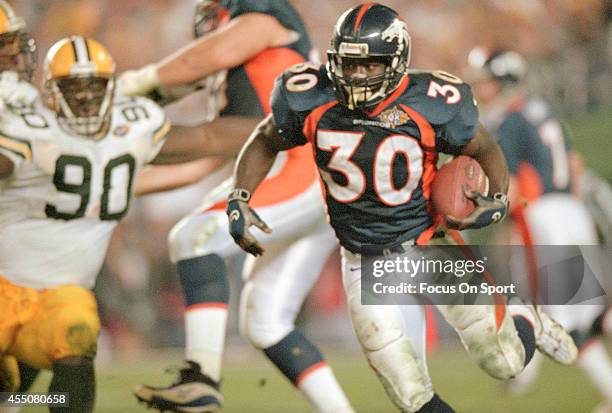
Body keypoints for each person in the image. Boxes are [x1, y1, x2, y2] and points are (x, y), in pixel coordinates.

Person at [227, 3, 580, 412]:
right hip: (364, 260)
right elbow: (266, 139)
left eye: (370, 65)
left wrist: (498, 198)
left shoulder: (432, 100)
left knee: (505, 362)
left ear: (396, 60)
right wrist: (240, 196)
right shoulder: (309, 96)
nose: (356, 76)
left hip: (431, 244)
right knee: (410, 396)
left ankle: (524, 318)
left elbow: (483, 147)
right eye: (348, 64)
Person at [120, 1, 353, 412]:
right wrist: (112, 188)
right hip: (299, 176)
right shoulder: (245, 73)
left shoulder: (265, 17)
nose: (210, 27)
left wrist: (131, 89)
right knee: (265, 322)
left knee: (194, 238)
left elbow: (211, 62)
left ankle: (202, 378)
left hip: (298, 165)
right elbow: (200, 163)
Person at [0, 34, 229, 412]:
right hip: (8, 283)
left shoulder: (123, 138)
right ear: (52, 92)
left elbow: (200, 145)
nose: (86, 99)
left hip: (56, 295)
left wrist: (279, 125)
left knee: (75, 336)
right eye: (75, 89)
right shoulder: (28, 130)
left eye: (94, 88)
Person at [467, 47, 612, 412]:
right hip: (573, 209)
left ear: (502, 80)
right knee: (591, 313)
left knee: (568, 323)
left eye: (486, 81)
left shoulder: (510, 122)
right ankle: (526, 374)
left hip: (546, 216)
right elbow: (574, 163)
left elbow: (513, 187)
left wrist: (481, 218)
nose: (481, 88)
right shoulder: (542, 110)